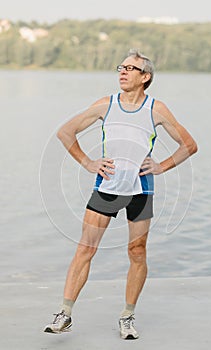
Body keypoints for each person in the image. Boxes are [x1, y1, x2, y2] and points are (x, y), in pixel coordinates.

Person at [44, 49, 198, 339]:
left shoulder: (157, 109)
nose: (122, 72)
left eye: (130, 68)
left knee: (136, 252)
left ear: (145, 77)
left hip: (141, 189)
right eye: (121, 67)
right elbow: (66, 132)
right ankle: (64, 313)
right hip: (107, 187)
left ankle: (127, 317)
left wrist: (161, 166)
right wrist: (88, 163)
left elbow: (189, 145)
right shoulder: (106, 104)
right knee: (85, 249)